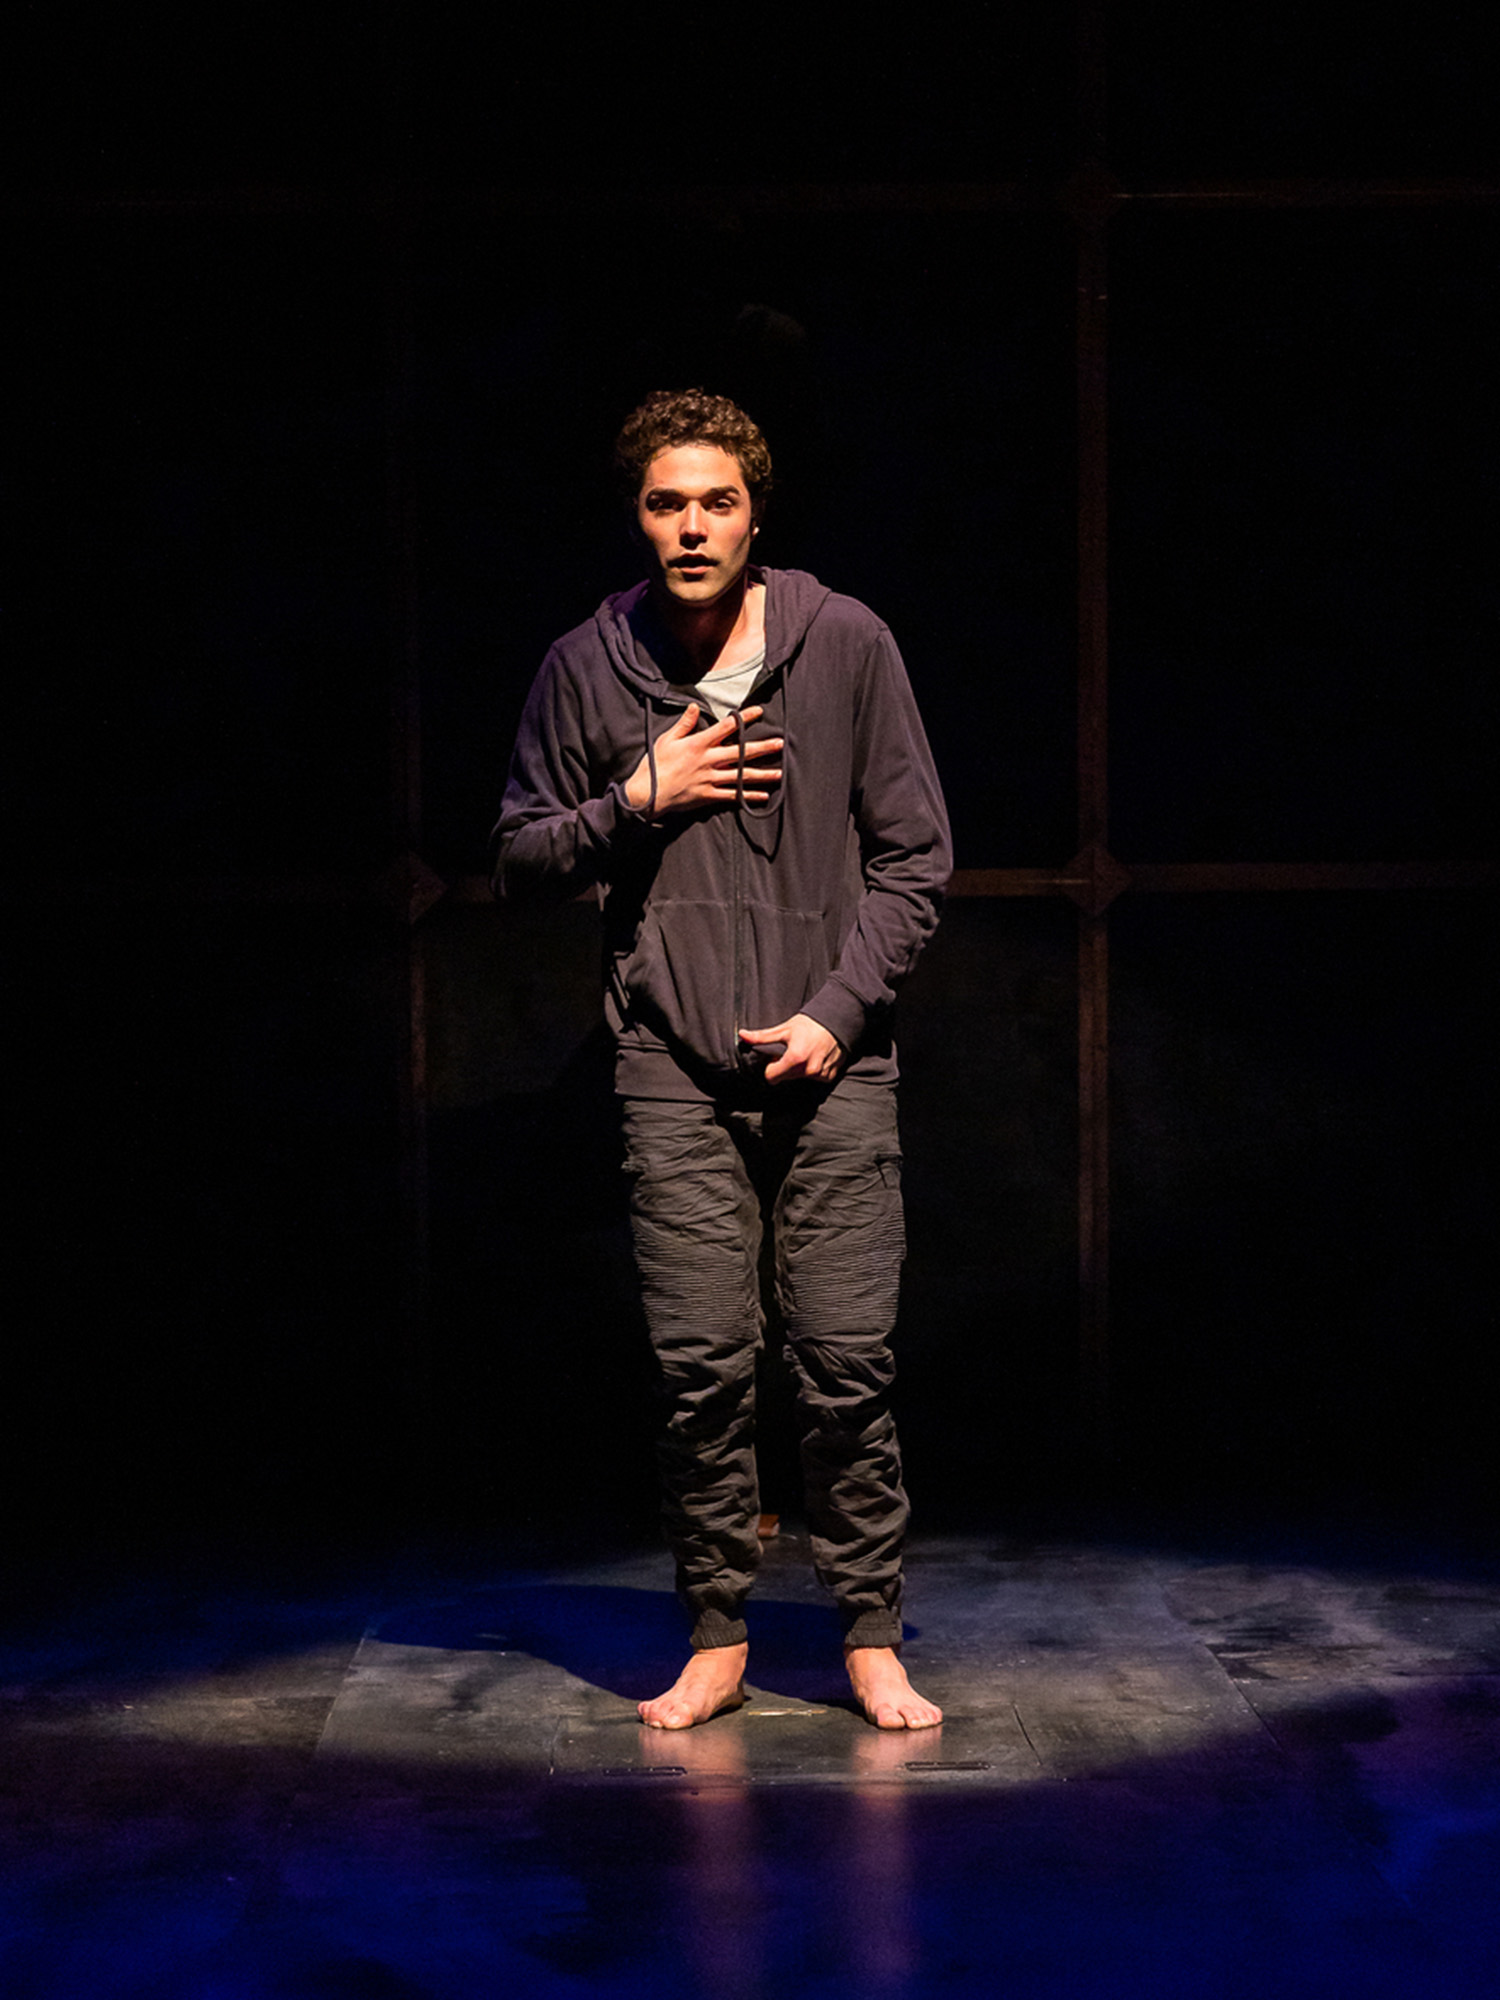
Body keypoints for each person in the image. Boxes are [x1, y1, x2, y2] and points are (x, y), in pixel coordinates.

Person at [492, 388, 950, 1729]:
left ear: (756, 512)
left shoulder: (846, 645)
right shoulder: (586, 668)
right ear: (637, 516)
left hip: (833, 1066)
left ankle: (868, 1632)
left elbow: (916, 862)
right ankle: (716, 1631)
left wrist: (837, 1012)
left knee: (846, 1365)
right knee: (703, 1374)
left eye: (718, 502)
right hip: (671, 1076)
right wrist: (636, 799)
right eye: (665, 503)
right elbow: (520, 855)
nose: (692, 528)